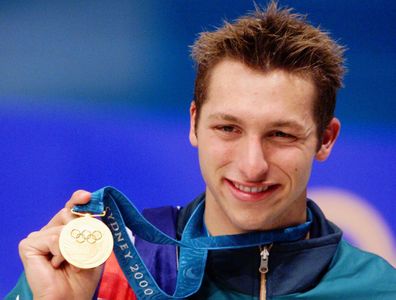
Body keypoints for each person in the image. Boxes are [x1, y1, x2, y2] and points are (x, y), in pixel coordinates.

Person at [7, 2, 396, 299]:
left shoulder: (378, 288)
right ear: (194, 123)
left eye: (280, 135)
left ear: (325, 138)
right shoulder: (103, 267)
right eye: (228, 128)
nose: (251, 165)